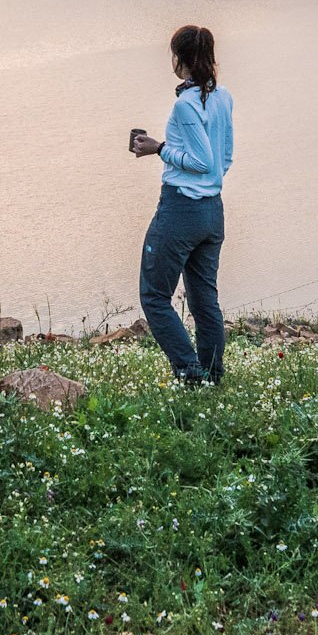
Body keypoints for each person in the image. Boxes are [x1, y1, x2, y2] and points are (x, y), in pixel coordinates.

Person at [127, 24, 234, 385]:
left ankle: (190, 374)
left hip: (181, 210)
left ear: (180, 59)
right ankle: (213, 378)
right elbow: (224, 159)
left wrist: (158, 149)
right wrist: (207, 181)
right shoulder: (223, 97)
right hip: (212, 212)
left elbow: (203, 161)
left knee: (154, 296)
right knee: (205, 300)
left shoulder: (186, 105)